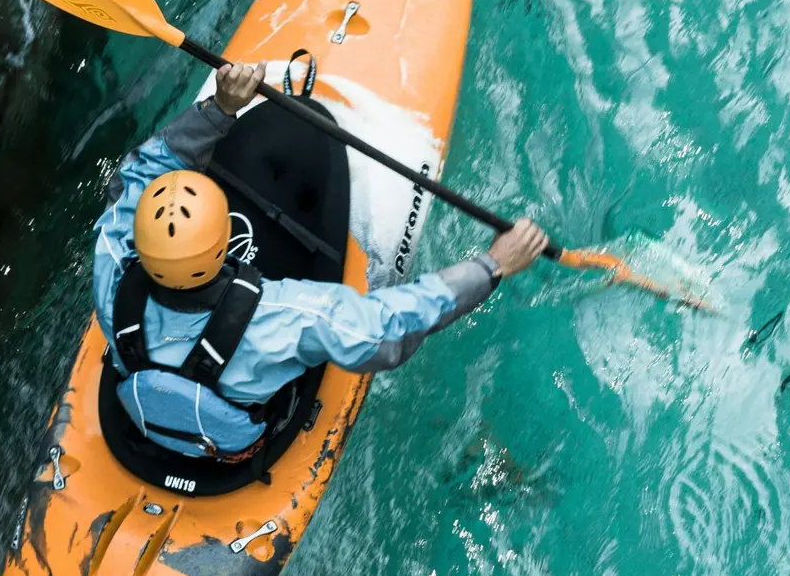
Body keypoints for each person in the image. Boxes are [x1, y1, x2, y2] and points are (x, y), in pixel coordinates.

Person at [93, 63, 548, 460]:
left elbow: (135, 176)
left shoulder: (113, 261)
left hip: (146, 410)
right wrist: (492, 266)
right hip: (238, 442)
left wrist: (218, 109)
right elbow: (387, 332)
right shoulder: (282, 318)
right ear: (224, 244)